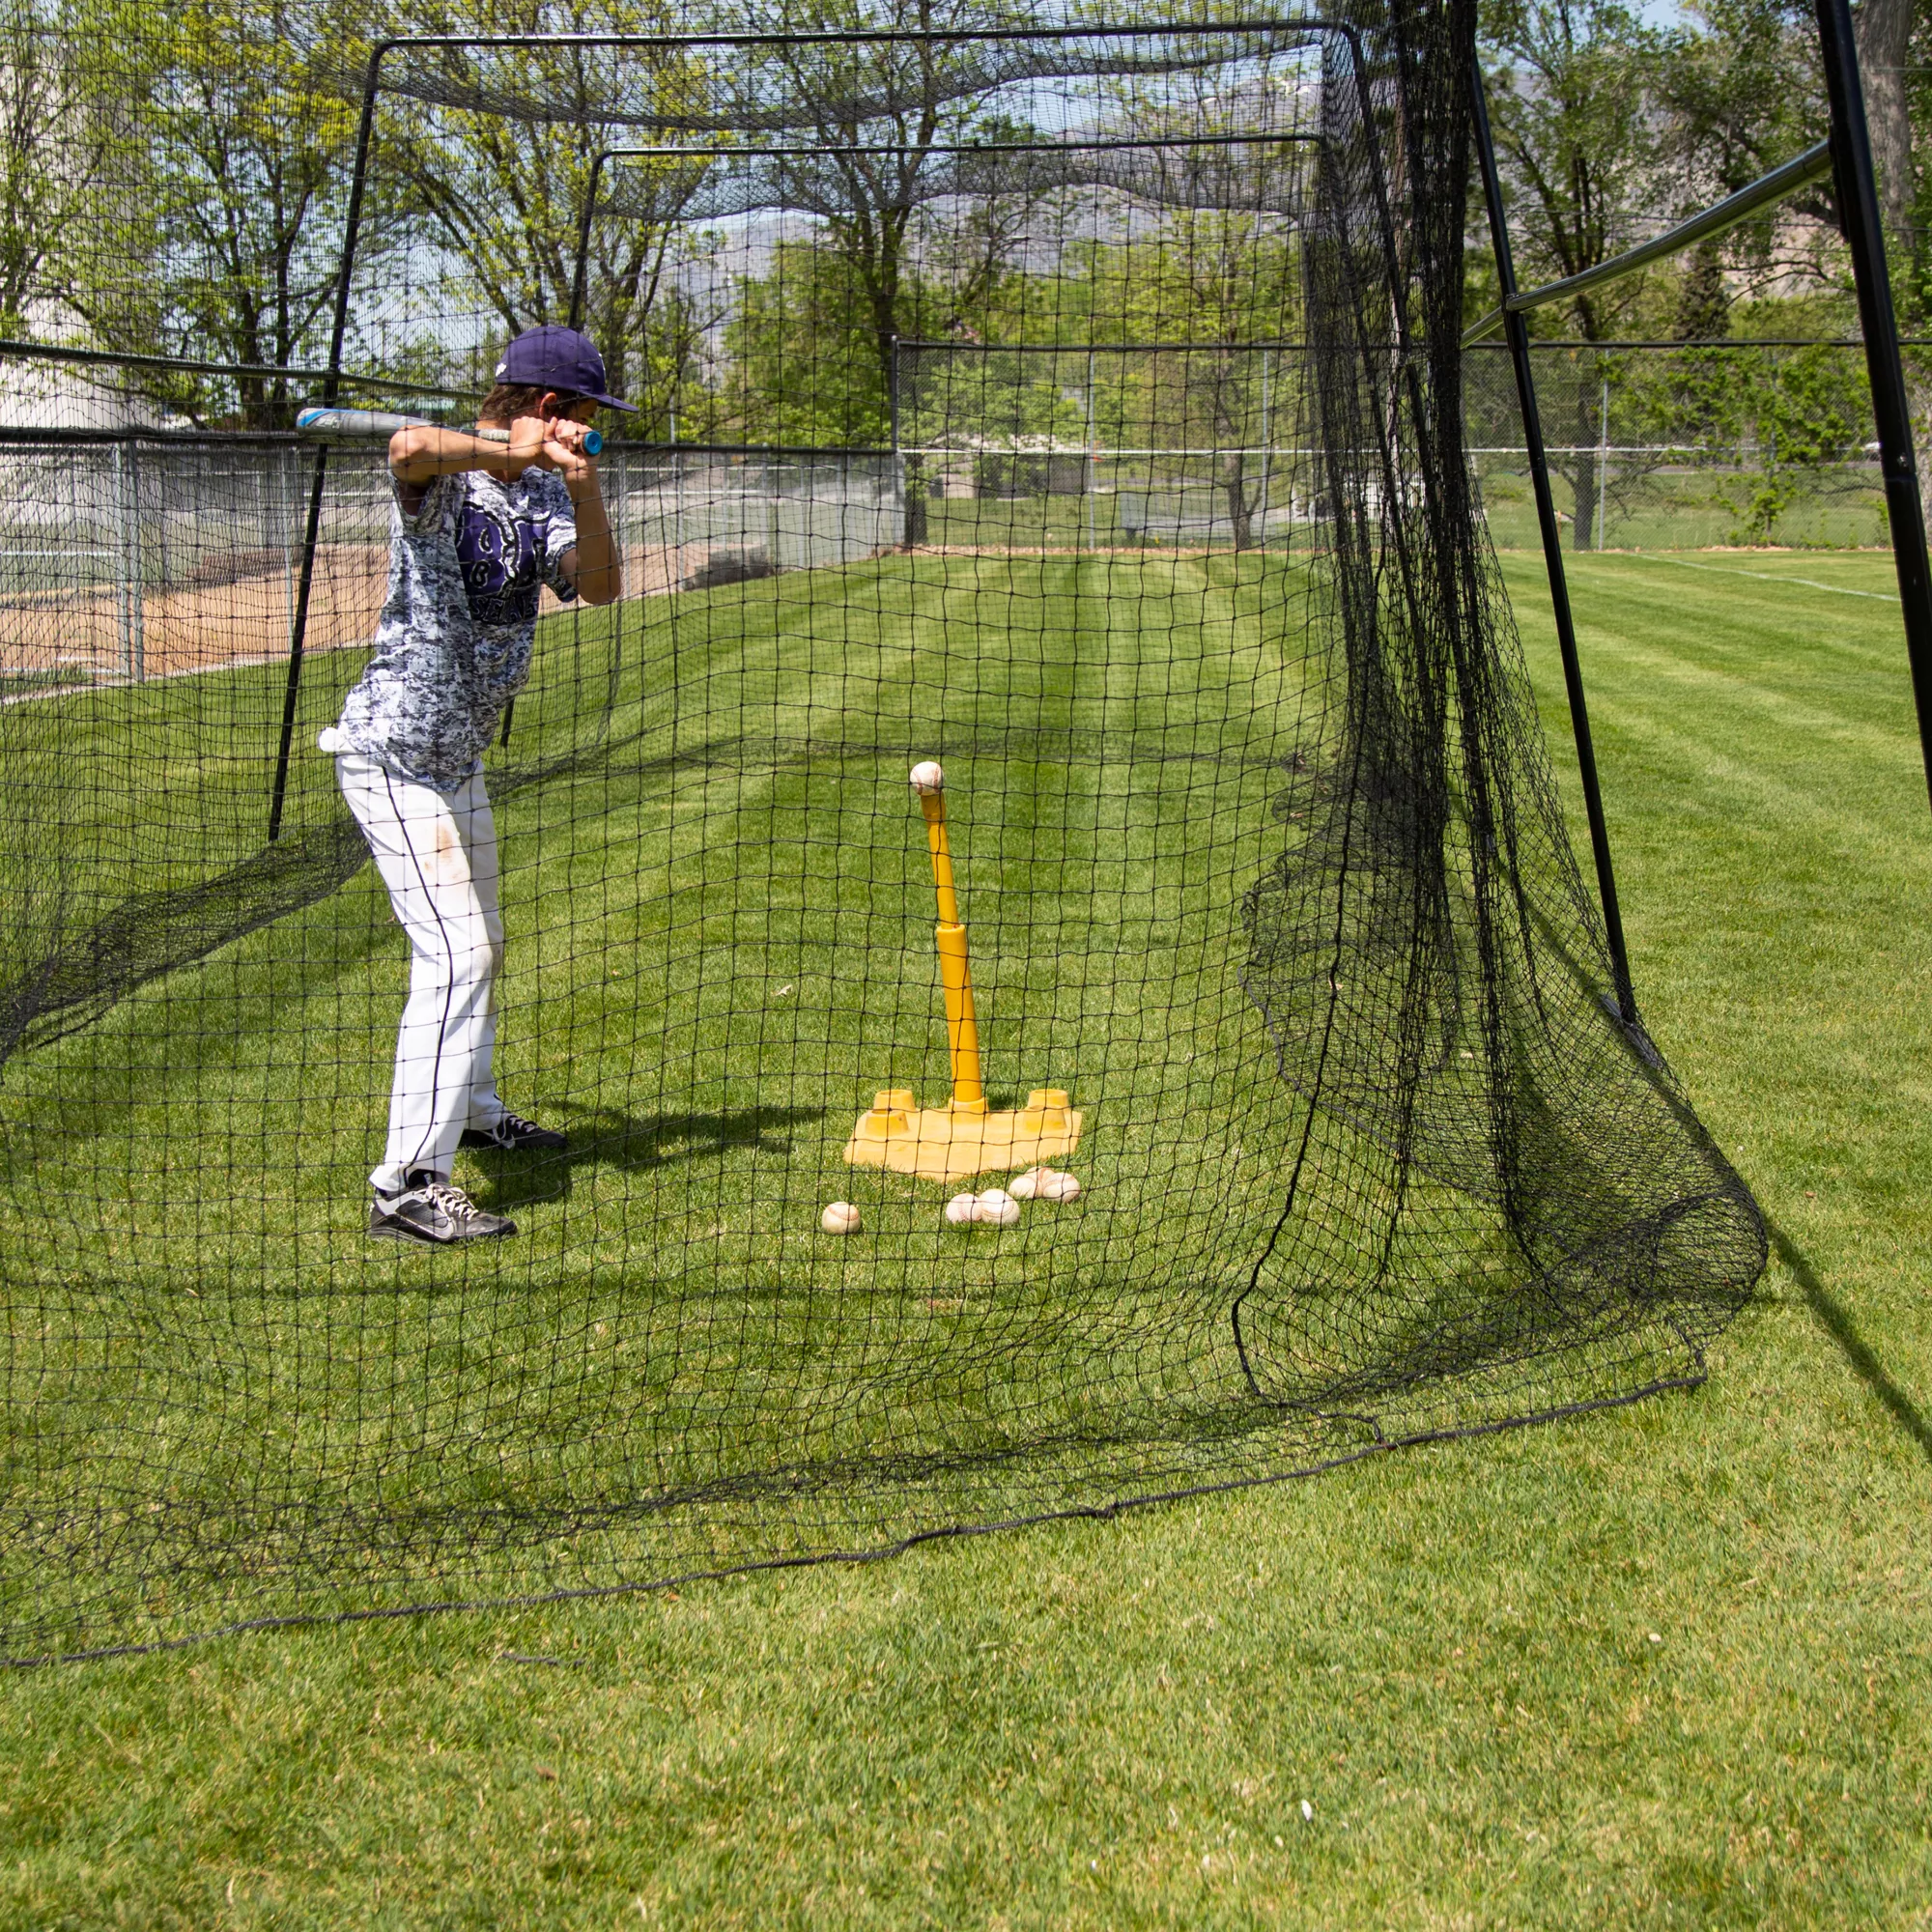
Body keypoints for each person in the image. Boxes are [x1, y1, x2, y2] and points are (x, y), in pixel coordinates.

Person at [320, 324, 631, 1244]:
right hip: (392, 754)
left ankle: (477, 1107)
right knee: (458, 951)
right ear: (547, 406)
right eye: (577, 414)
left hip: (457, 758)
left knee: (486, 937)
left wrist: (582, 481)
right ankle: (407, 1183)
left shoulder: (543, 493)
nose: (583, 425)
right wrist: (506, 444)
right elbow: (406, 447)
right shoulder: (448, 476)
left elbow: (602, 587)